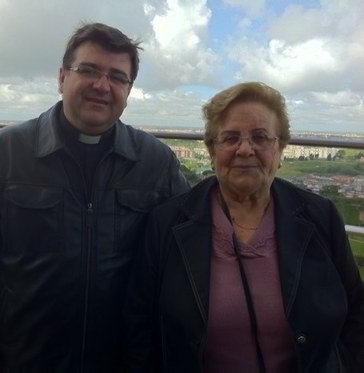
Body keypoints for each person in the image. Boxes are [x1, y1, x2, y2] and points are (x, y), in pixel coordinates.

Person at [0, 22, 189, 372]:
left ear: (128, 89)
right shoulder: (4, 153)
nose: (102, 86)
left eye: (117, 77)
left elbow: (185, 259)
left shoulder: (156, 162)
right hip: (23, 360)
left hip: (121, 362)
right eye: (88, 70)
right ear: (62, 77)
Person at [124, 82, 364, 372]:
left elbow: (356, 311)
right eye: (230, 138)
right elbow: (139, 328)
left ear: (280, 149)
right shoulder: (166, 223)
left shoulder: (320, 216)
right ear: (212, 151)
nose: (245, 149)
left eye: (261, 137)